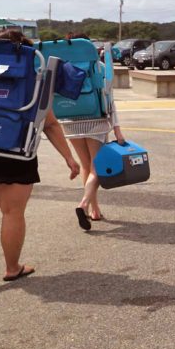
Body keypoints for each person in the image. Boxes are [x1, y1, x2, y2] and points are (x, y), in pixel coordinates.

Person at [0, 30, 81, 283]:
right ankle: (12, 268)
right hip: (15, 149)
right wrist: (69, 157)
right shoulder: (32, 77)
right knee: (12, 212)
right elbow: (51, 124)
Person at [62, 33, 126, 229]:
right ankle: (83, 204)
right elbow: (110, 101)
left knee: (86, 165)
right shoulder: (98, 67)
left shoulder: (63, 68)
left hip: (70, 121)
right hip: (95, 121)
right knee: (97, 168)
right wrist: (117, 130)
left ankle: (94, 209)